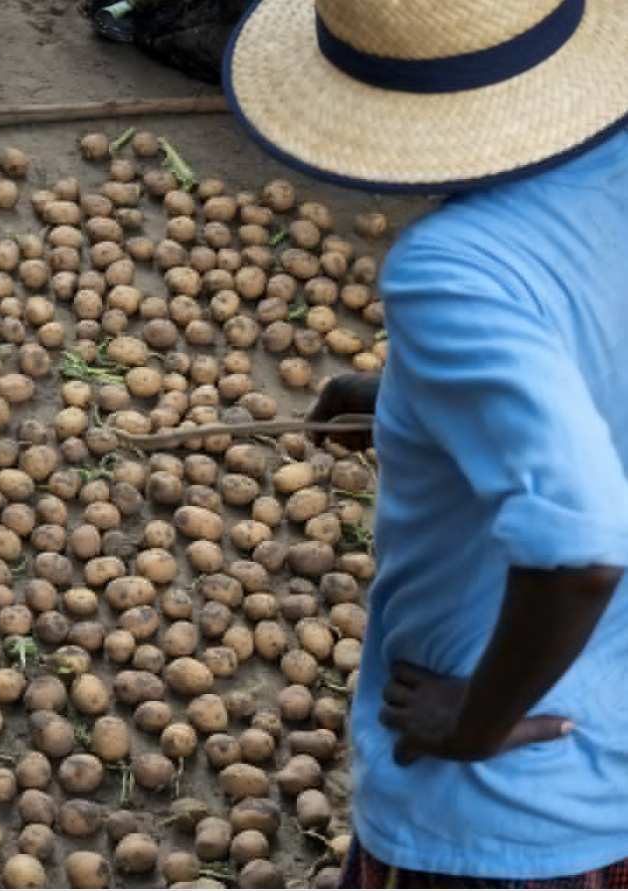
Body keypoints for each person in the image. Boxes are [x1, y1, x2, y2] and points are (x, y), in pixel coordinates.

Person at [225, 0, 628, 887]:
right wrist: (413, 400)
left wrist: (478, 721)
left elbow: (584, 542)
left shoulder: (454, 266)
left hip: (506, 809)